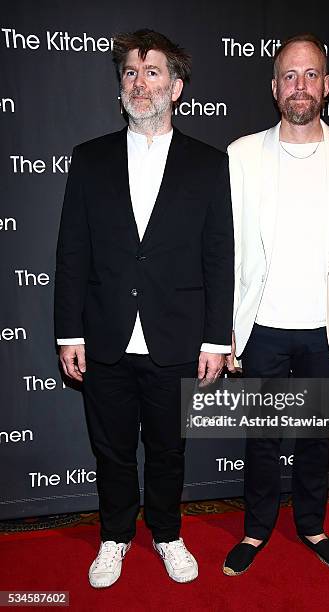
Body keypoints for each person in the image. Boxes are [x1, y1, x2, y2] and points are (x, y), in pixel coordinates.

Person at [54, 29, 234, 587]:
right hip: (104, 335)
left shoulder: (207, 164)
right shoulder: (89, 159)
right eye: (131, 72)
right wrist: (67, 332)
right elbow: (71, 253)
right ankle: (114, 536)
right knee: (110, 450)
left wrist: (215, 339)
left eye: (152, 72)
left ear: (176, 88)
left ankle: (167, 533)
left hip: (175, 339)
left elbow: (217, 255)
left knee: (167, 451)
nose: (139, 82)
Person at [223, 33, 329, 575]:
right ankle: (255, 531)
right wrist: (225, 330)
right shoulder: (242, 154)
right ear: (274, 88)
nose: (299, 85)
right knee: (262, 439)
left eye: (309, 74)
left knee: (316, 438)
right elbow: (230, 249)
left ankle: (312, 526)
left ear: (327, 84)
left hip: (325, 327)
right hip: (261, 326)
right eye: (288, 76)